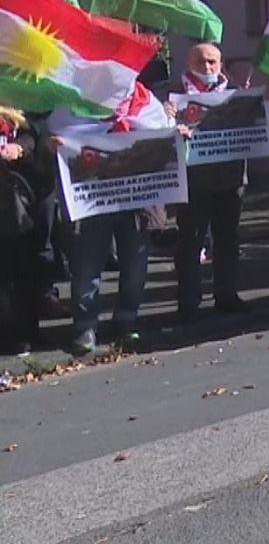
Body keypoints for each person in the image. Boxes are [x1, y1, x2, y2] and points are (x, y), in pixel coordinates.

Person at [49, 85, 171, 355]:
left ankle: (127, 319)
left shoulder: (145, 101)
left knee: (135, 265)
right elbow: (55, 131)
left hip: (137, 200)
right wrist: (55, 144)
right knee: (86, 267)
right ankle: (85, 326)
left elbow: (165, 131)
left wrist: (176, 133)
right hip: (93, 201)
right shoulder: (76, 101)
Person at [174, 43, 251, 322]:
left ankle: (226, 294)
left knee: (228, 239)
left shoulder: (235, 94)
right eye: (201, 61)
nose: (207, 67)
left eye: (213, 62)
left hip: (231, 177)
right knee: (190, 240)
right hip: (192, 180)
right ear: (188, 63)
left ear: (221, 64)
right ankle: (188, 300)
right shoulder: (174, 96)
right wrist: (171, 123)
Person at [0, 106, 49, 355]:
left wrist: (19, 147)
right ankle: (9, 333)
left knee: (26, 264)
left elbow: (36, 127)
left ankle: (26, 329)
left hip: (22, 194)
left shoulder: (21, 96)